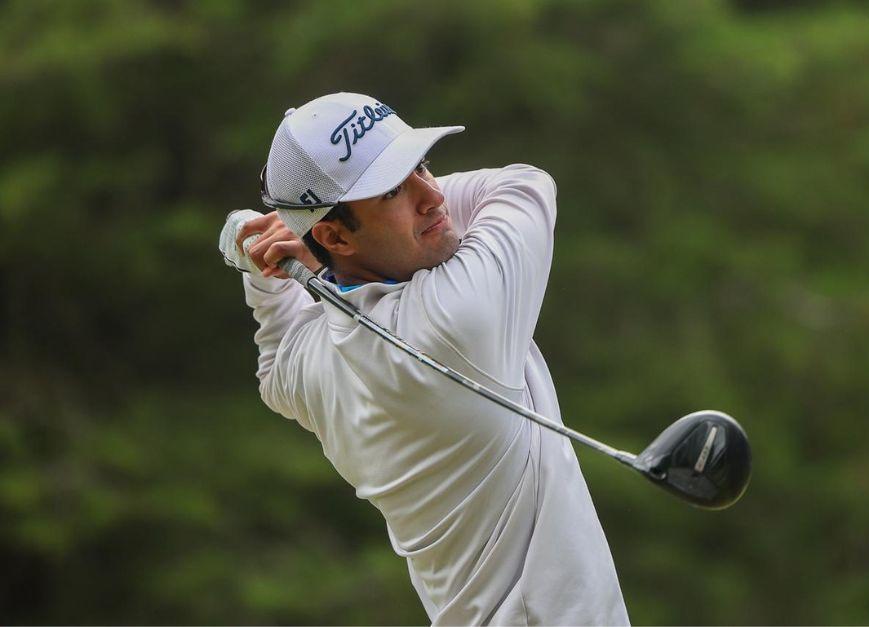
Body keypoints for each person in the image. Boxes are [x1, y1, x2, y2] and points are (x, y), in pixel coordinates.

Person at [220, 92, 629, 625]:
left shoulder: (309, 365)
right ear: (336, 235)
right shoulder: (456, 315)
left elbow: (274, 356)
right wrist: (285, 233)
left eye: (422, 167)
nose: (432, 194)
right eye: (393, 189)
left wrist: (260, 256)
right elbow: (525, 182)